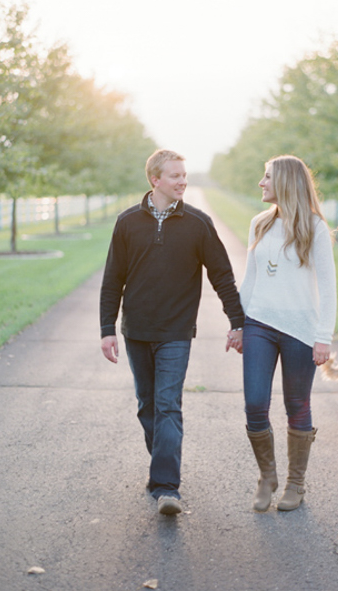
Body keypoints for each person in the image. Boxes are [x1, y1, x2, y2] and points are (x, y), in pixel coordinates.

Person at [99, 149, 245, 516]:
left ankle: (167, 487)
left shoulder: (198, 223)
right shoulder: (127, 222)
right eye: (175, 176)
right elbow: (112, 279)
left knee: (167, 405)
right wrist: (107, 329)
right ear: (155, 180)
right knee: (147, 405)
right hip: (136, 330)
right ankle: (160, 467)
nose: (183, 181)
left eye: (184, 175)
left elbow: (222, 275)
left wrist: (237, 321)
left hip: (176, 332)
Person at [239, 155, 336, 512]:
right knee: (254, 402)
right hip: (258, 325)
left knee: (297, 405)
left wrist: (323, 336)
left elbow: (328, 288)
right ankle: (267, 476)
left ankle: (296, 483)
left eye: (266, 177)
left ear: (285, 182)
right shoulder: (259, 224)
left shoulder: (315, 228)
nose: (261, 183)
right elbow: (250, 278)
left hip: (300, 328)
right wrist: (238, 323)